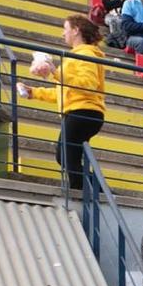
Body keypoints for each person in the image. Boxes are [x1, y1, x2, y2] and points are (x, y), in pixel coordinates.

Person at [32, 15, 105, 192]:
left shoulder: (86, 54)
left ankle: (82, 191)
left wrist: (55, 72)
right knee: (66, 156)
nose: (63, 32)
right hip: (81, 111)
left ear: (76, 30)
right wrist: (33, 92)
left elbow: (88, 85)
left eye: (65, 28)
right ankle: (97, 191)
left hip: (83, 111)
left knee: (66, 155)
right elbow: (64, 91)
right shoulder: (77, 56)